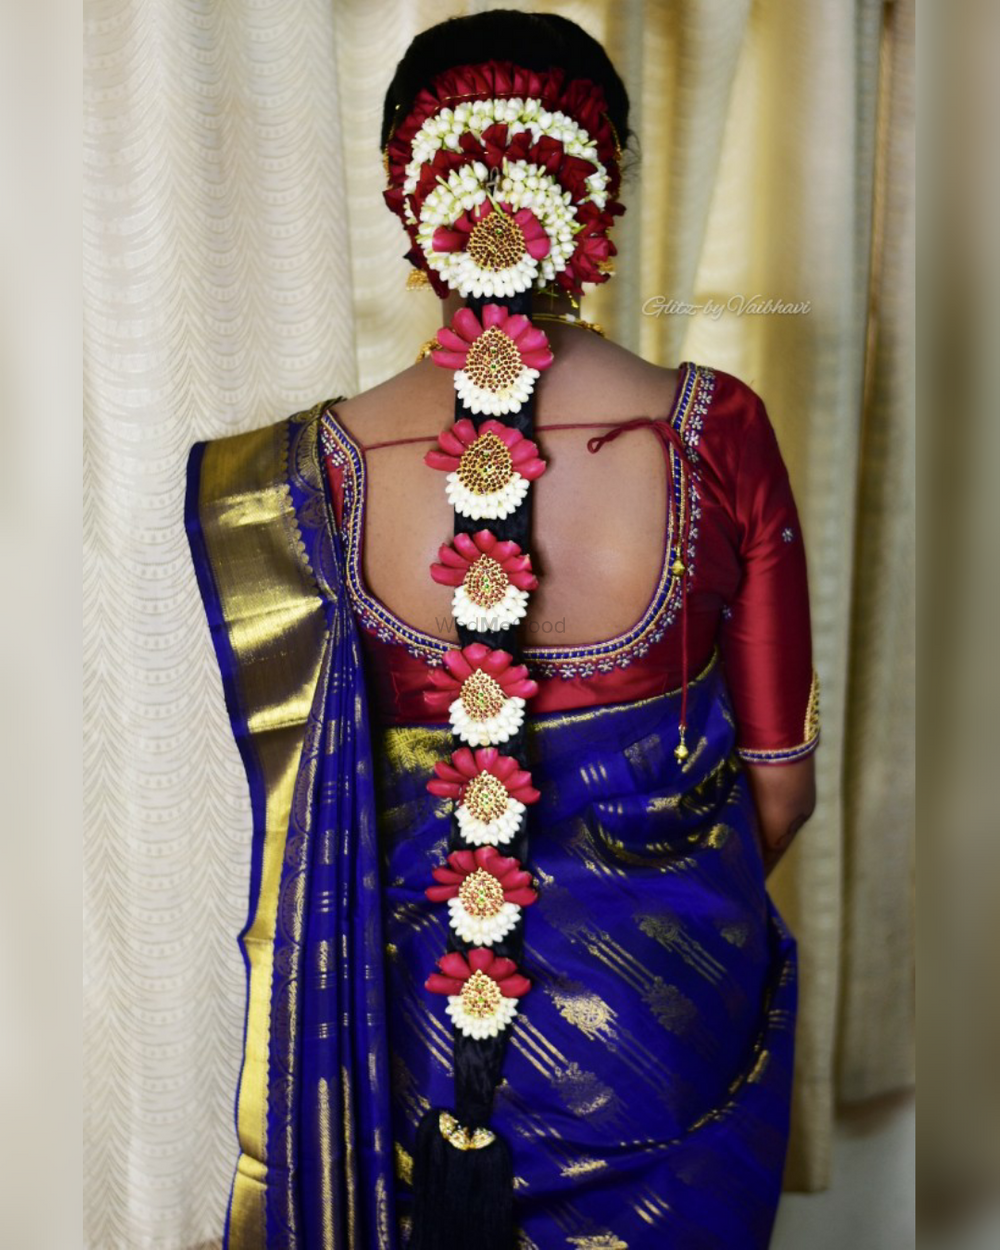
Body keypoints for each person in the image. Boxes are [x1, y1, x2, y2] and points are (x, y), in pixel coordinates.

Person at [186, 11, 818, 1249]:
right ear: (602, 194)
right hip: (661, 1037)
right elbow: (779, 791)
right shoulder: (710, 429)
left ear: (402, 203)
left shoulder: (308, 467)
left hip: (401, 1032)